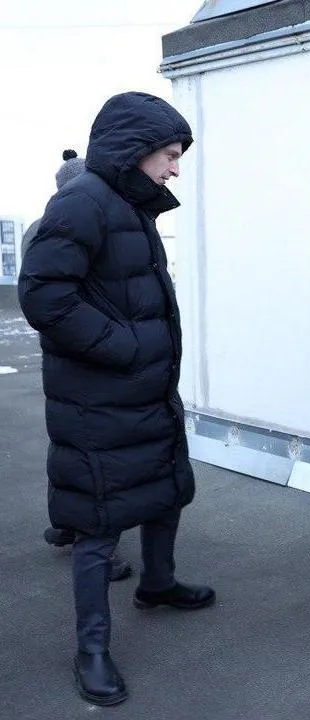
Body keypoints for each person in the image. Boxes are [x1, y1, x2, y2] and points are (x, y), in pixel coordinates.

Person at [18, 91, 215, 707]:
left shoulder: (130, 206)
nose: (176, 168)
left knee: (163, 489)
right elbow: (43, 296)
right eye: (169, 154)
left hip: (143, 392)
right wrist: (124, 347)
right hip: (99, 400)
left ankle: (157, 584)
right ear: (134, 151)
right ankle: (92, 649)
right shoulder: (82, 203)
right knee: (97, 522)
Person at [28, 150, 132, 583]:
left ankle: (67, 522)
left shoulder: (41, 225)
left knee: (68, 446)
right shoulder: (80, 224)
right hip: (88, 356)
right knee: (94, 455)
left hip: (58, 355)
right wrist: (115, 341)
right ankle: (97, 550)